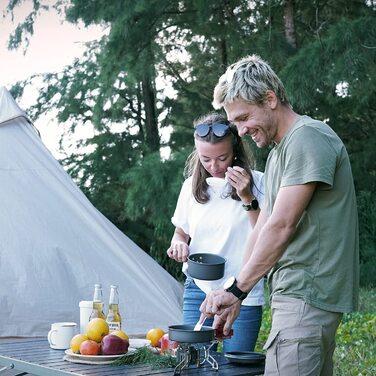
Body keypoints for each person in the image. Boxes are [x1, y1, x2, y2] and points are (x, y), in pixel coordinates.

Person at [200, 55, 359, 375]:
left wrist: (236, 290)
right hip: (294, 298)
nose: (241, 132)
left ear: (270, 99)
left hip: (307, 296)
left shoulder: (308, 138)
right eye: (235, 123)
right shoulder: (279, 155)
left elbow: (283, 226)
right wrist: (237, 293)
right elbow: (263, 229)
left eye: (244, 118)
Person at [167, 112, 265, 352]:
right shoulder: (191, 187)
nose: (214, 167)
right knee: (193, 362)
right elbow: (181, 232)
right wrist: (179, 243)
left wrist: (247, 197)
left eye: (222, 158)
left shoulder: (259, 182)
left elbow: (267, 234)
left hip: (243, 292)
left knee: (236, 366)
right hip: (198, 289)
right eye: (206, 159)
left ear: (236, 151)